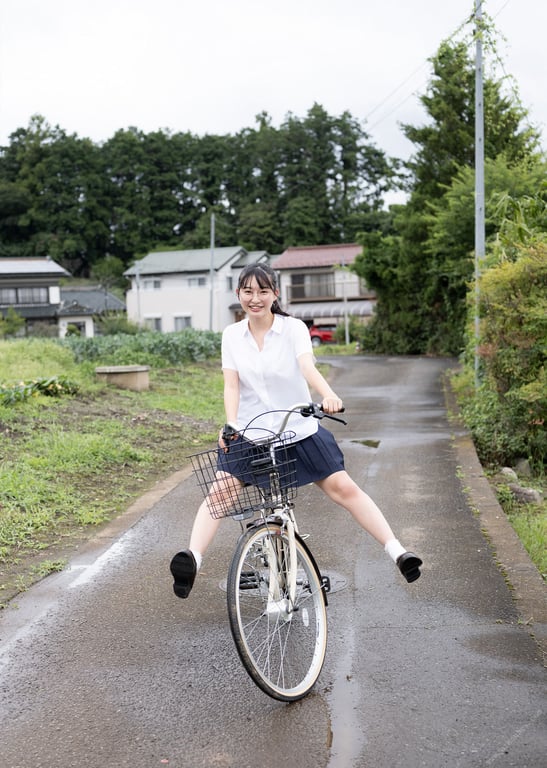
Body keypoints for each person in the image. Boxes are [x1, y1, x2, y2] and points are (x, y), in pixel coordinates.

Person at [170, 263, 422, 598]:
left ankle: (398, 552)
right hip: (249, 433)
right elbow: (231, 386)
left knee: (343, 488)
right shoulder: (232, 336)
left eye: (263, 291)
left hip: (297, 429)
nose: (255, 298)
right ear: (238, 295)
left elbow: (307, 366)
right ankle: (193, 562)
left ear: (275, 293)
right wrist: (231, 423)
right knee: (219, 493)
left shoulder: (293, 329)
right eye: (248, 291)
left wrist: (328, 394)